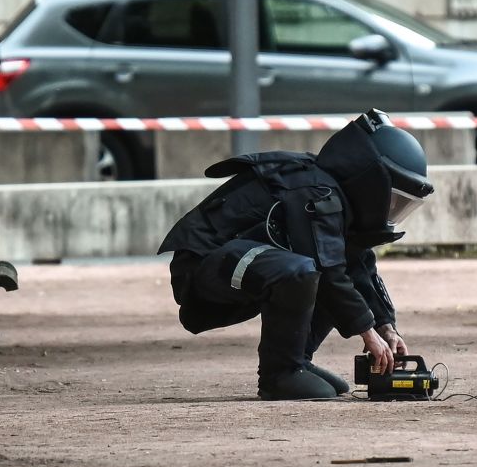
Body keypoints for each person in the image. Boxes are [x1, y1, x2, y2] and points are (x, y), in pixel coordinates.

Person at [157, 109, 434, 400]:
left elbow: (355, 267)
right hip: (203, 269)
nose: (393, 210)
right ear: (372, 181)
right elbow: (328, 271)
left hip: (240, 264)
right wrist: (367, 333)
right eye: (394, 200)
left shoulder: (335, 197)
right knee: (306, 270)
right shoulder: (315, 192)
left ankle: (297, 362)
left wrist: (386, 327)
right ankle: (280, 373)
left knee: (325, 272)